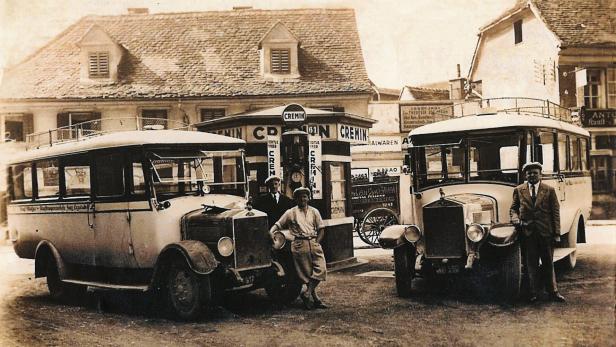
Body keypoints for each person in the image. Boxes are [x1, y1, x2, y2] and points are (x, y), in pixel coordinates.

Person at [510, 162, 566, 303]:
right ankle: (533, 293)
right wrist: (515, 219)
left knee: (548, 263)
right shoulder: (519, 190)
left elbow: (555, 212)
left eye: (535, 172)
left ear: (540, 174)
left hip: (545, 232)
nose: (532, 175)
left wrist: (557, 233)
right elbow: (513, 209)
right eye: (529, 173)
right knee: (531, 264)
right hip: (528, 233)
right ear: (525, 175)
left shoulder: (549, 190)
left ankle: (553, 292)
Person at [269, 187, 328, 310]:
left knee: (321, 269)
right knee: (307, 274)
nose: (303, 199)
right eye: (300, 197)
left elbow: (321, 228)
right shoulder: (291, 212)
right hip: (299, 245)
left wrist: (317, 242)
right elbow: (278, 224)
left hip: (313, 242)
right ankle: (315, 299)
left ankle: (306, 293)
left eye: (305, 196)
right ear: (296, 199)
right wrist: (271, 232)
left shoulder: (314, 211)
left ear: (308, 198)